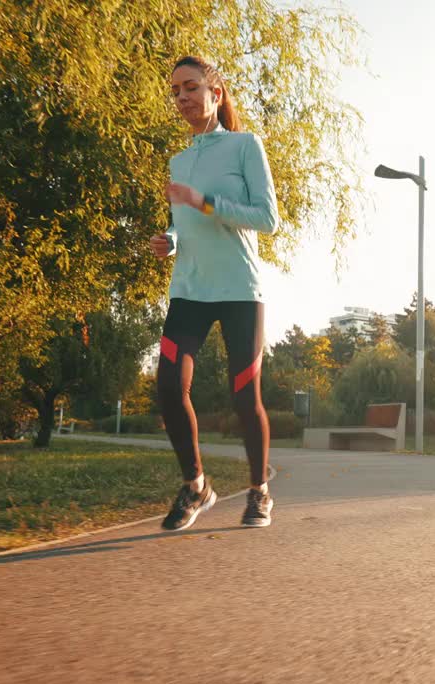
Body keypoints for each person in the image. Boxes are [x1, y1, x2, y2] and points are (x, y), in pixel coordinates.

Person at [149, 56, 280, 530]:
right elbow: (183, 224)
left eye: (190, 87)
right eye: (175, 91)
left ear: (215, 94)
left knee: (245, 395)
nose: (182, 97)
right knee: (168, 386)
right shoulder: (179, 160)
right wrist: (171, 240)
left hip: (239, 288)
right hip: (189, 289)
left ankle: (259, 491)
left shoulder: (246, 146)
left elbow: (267, 219)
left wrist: (201, 202)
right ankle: (196, 485)